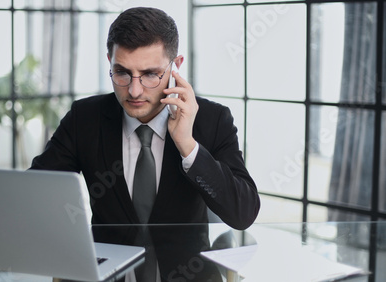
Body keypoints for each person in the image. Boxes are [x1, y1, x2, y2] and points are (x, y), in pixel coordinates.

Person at [30, 7, 260, 231]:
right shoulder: (84, 118)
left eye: (150, 74)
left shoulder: (212, 119)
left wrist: (188, 147)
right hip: (109, 266)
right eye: (122, 72)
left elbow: (244, 214)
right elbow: (31, 193)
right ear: (109, 61)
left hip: (190, 267)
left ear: (175, 67)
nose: (134, 91)